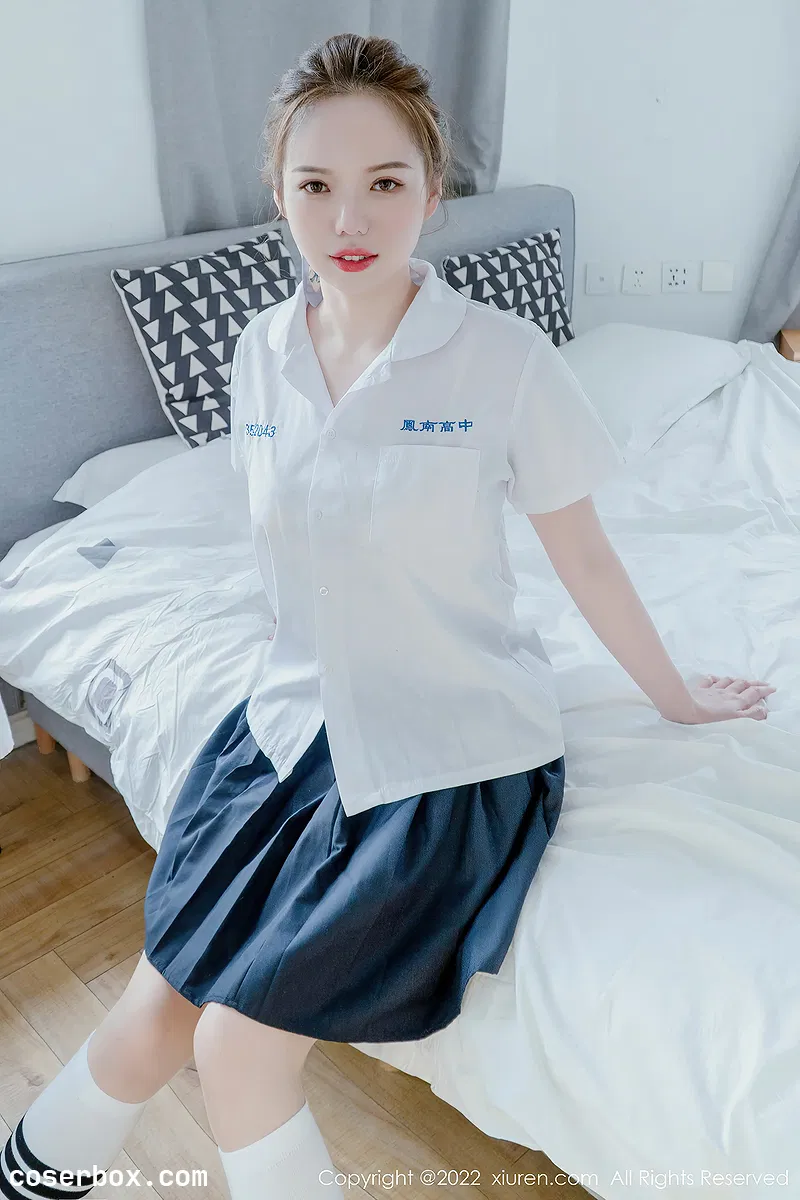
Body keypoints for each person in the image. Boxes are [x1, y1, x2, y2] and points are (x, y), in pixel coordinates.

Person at [0, 31, 777, 1200]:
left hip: (448, 754)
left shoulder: (502, 360)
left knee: (235, 1045)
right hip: (283, 736)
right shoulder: (260, 352)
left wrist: (671, 695)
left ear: (431, 190)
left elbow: (583, 557)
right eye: (314, 185)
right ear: (276, 195)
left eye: (383, 182)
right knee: (155, 1006)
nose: (348, 217)